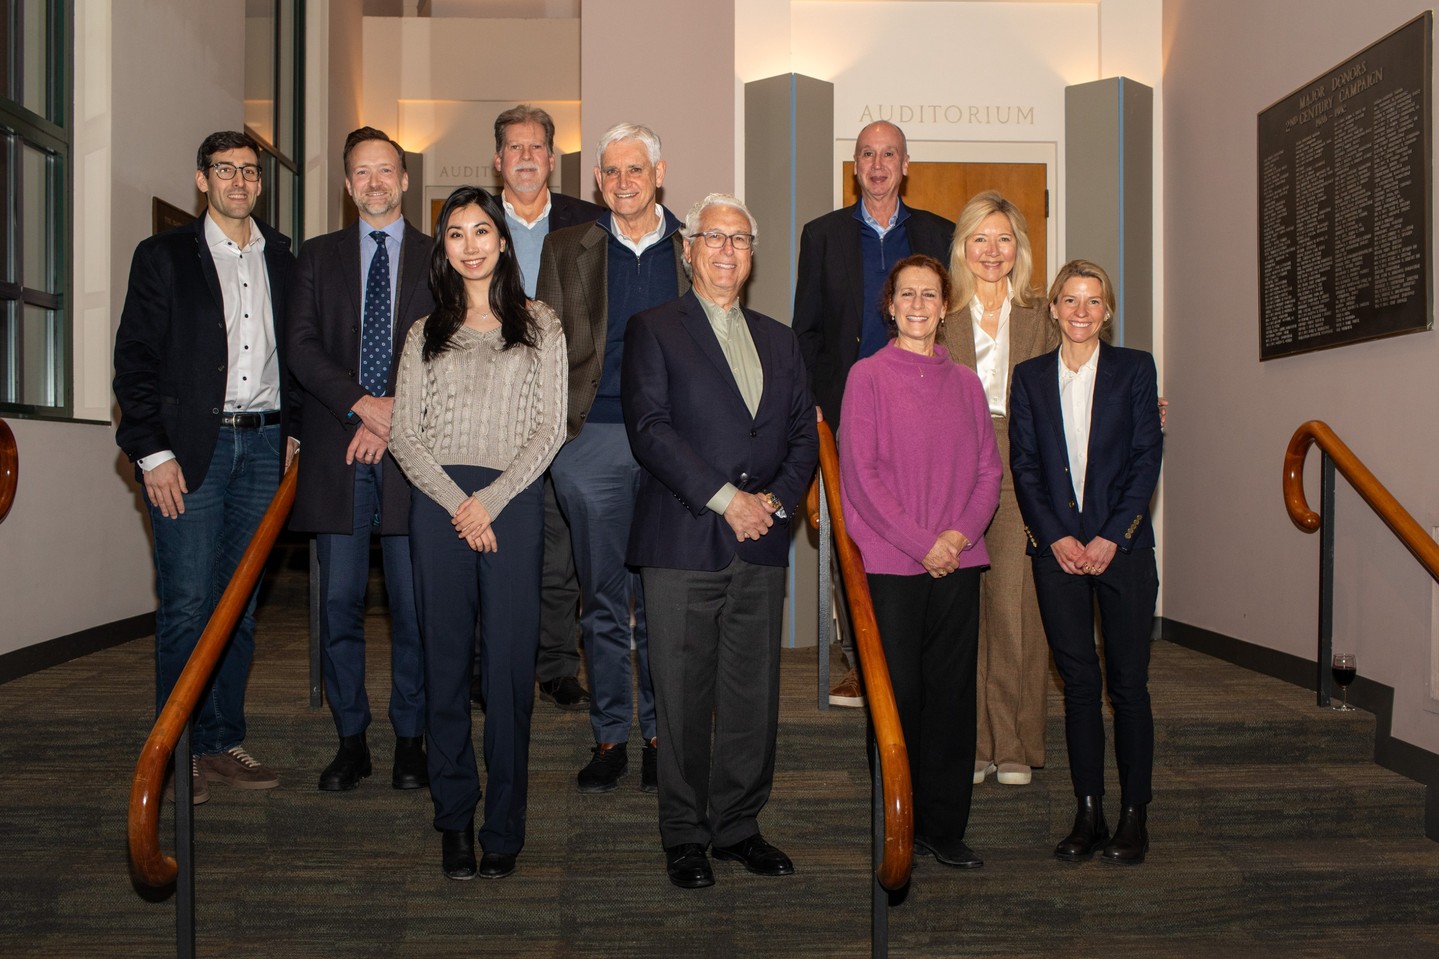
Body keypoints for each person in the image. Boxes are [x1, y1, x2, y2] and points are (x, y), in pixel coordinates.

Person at [623, 194, 818, 889]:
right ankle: (683, 835)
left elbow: (801, 437)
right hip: (683, 536)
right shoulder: (654, 328)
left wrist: (775, 502)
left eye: (740, 238)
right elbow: (649, 428)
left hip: (760, 540)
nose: (727, 250)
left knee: (749, 693)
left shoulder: (780, 338)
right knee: (679, 695)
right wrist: (726, 498)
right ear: (688, 247)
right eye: (713, 237)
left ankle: (737, 825)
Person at [389, 186, 567, 881]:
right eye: (456, 233)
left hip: (512, 501)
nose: (470, 244)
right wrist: (459, 503)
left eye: (481, 230)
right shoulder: (424, 332)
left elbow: (549, 427)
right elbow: (405, 433)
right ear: (445, 248)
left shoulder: (540, 324)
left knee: (507, 672)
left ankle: (505, 826)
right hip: (439, 506)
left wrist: (488, 500)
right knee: (443, 665)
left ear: (501, 241)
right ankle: (455, 817)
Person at [114, 130, 296, 804]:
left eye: (250, 171)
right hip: (189, 453)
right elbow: (134, 359)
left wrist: (297, 434)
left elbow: (298, 356)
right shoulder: (164, 257)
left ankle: (220, 740)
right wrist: (150, 450)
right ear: (202, 179)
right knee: (188, 605)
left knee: (238, 607)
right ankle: (175, 750)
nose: (240, 181)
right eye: (226, 170)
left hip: (264, 448)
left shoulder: (284, 257)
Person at [535, 122, 688, 793]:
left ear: (658, 174)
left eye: (636, 170)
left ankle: (660, 734)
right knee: (599, 599)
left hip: (672, 445)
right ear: (597, 180)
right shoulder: (567, 247)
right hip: (591, 439)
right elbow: (543, 346)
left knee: (662, 598)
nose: (623, 183)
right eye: (611, 172)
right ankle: (609, 736)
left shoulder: (694, 247)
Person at [839, 254, 1001, 870]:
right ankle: (896, 824)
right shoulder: (867, 377)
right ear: (890, 304)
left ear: (943, 306)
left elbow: (989, 470)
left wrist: (956, 538)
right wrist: (922, 543)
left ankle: (944, 828)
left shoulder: (966, 384)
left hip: (959, 563)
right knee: (899, 698)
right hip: (892, 564)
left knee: (953, 698)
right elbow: (862, 476)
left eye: (929, 295)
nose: (917, 305)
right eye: (906, 294)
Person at [287, 126, 434, 793]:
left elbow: (450, 350)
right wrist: (362, 404)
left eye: (386, 171)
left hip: (414, 457)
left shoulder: (438, 258)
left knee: (413, 604)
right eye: (361, 173)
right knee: (340, 601)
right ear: (347, 186)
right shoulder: (316, 258)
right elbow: (302, 347)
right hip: (337, 449)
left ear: (404, 181)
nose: (375, 182)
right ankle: (352, 737)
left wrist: (393, 410)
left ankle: (410, 736)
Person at [793, 120, 954, 707]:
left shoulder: (940, 233)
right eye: (867, 154)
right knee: (855, 537)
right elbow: (805, 330)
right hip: (846, 414)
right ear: (854, 166)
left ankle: (915, 652)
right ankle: (860, 659)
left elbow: (957, 329)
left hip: (927, 414)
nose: (879, 164)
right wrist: (811, 408)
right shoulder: (823, 236)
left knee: (919, 524)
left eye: (890, 154)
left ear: (905, 164)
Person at [1008, 259, 1163, 866]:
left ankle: (1134, 816)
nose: (1080, 312)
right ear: (1052, 309)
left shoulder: (1135, 370)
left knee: (1128, 686)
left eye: (1092, 302)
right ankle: (1089, 811)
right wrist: (1056, 539)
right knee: (1078, 686)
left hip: (1122, 551)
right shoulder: (1029, 378)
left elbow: (1146, 458)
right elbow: (1024, 467)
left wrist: (1111, 537)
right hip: (1057, 555)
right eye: (1069, 300)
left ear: (1107, 311)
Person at [938, 191, 1057, 788]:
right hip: (952, 468)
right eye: (980, 238)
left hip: (1020, 467)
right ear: (962, 246)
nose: (992, 250)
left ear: (1020, 249)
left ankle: (1013, 741)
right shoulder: (938, 314)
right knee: (963, 613)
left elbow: (1078, 378)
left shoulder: (1043, 315)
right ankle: (974, 742)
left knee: (1015, 608)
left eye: (1004, 238)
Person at [493, 104, 604, 712]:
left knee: (561, 547)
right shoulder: (473, 221)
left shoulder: (589, 223)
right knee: (496, 538)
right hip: (493, 411)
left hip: (567, 406)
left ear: (553, 158)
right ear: (499, 160)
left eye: (537, 147)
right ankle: (493, 664)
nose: (527, 157)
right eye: (515, 147)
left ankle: (558, 666)